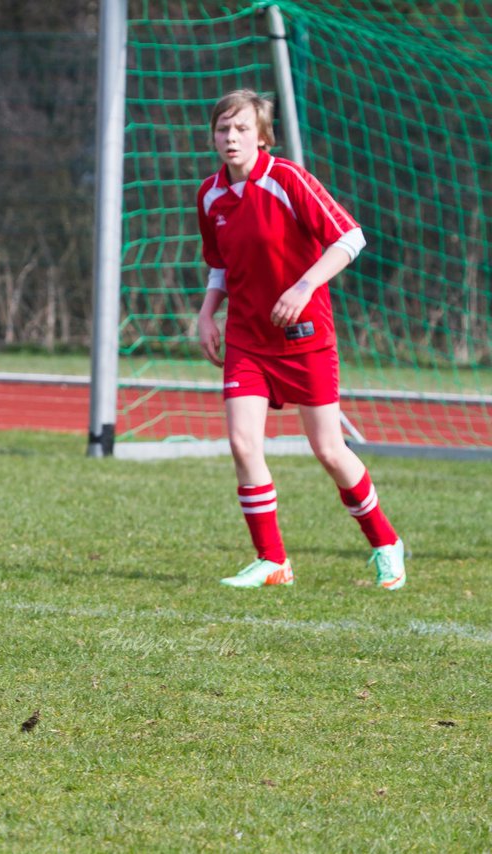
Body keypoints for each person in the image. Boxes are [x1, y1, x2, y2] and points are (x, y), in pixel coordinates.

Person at [195, 89, 406, 590]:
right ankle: (273, 562)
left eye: (242, 129)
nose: (231, 138)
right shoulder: (209, 194)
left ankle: (385, 543)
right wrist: (207, 313)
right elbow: (220, 264)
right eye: (223, 129)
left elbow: (350, 237)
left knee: (329, 449)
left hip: (305, 338)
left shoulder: (287, 179)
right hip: (247, 336)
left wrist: (305, 285)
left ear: (262, 135)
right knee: (243, 442)